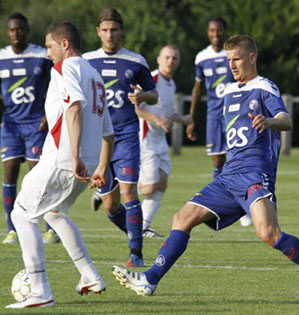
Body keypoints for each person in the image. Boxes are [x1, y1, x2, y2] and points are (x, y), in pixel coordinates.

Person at [113, 34, 299, 300]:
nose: (231, 66)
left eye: (236, 59)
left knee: (269, 233)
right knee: (182, 218)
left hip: (255, 174)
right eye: (228, 60)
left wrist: (269, 122)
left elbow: (286, 120)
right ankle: (149, 280)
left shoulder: (264, 87)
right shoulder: (229, 91)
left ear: (252, 58)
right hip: (227, 177)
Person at [6, 20, 114, 309]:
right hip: (87, 163)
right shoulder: (96, 75)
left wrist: (75, 155)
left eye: (51, 46)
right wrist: (101, 167)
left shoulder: (65, 68)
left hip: (64, 158)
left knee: (22, 215)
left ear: (64, 44)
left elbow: (74, 108)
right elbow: (108, 132)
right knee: (53, 213)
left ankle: (39, 290)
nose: (47, 53)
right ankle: (90, 276)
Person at [83, 8, 158, 267]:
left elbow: (154, 94)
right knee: (110, 207)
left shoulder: (136, 61)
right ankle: (135, 232)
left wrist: (142, 97)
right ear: (98, 32)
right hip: (97, 139)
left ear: (121, 31)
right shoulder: (86, 61)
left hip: (126, 133)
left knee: (129, 192)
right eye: (105, 30)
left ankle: (136, 254)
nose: (110, 34)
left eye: (114, 29)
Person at [186, 17, 252, 227]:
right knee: (217, 160)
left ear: (225, 32)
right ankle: (220, 204)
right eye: (212, 30)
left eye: (219, 30)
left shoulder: (232, 54)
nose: (216, 34)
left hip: (234, 113)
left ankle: (244, 205)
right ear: (208, 32)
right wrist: (191, 117)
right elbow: (197, 88)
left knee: (237, 157)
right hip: (214, 115)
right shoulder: (201, 57)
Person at [0, 13, 59, 244]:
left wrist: (48, 113)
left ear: (27, 30)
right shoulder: (1, 57)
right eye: (12, 30)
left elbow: (56, 82)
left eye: (20, 29)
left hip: (37, 123)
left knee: (39, 176)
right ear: (7, 32)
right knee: (10, 170)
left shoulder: (40, 56)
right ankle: (12, 228)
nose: (16, 33)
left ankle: (49, 227)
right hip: (11, 125)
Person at [135, 45, 191, 238]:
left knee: (162, 183)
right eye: (167, 57)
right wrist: (157, 119)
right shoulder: (152, 79)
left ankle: (142, 227)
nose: (170, 61)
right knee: (150, 186)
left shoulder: (171, 84)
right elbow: (137, 108)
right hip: (146, 139)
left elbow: (166, 113)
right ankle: (110, 187)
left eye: (174, 58)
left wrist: (182, 119)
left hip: (160, 141)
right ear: (159, 59)